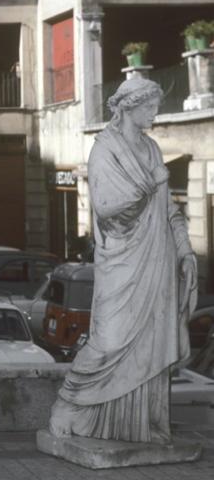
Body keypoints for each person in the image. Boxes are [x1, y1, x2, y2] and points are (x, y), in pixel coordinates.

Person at [49, 76, 198, 443]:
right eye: (150, 107)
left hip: (158, 259)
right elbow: (105, 208)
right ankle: (70, 404)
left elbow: (169, 209)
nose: (155, 114)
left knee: (151, 340)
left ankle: (142, 423)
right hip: (121, 260)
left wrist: (184, 249)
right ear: (130, 107)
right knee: (109, 341)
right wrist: (149, 183)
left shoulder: (152, 150)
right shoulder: (105, 150)